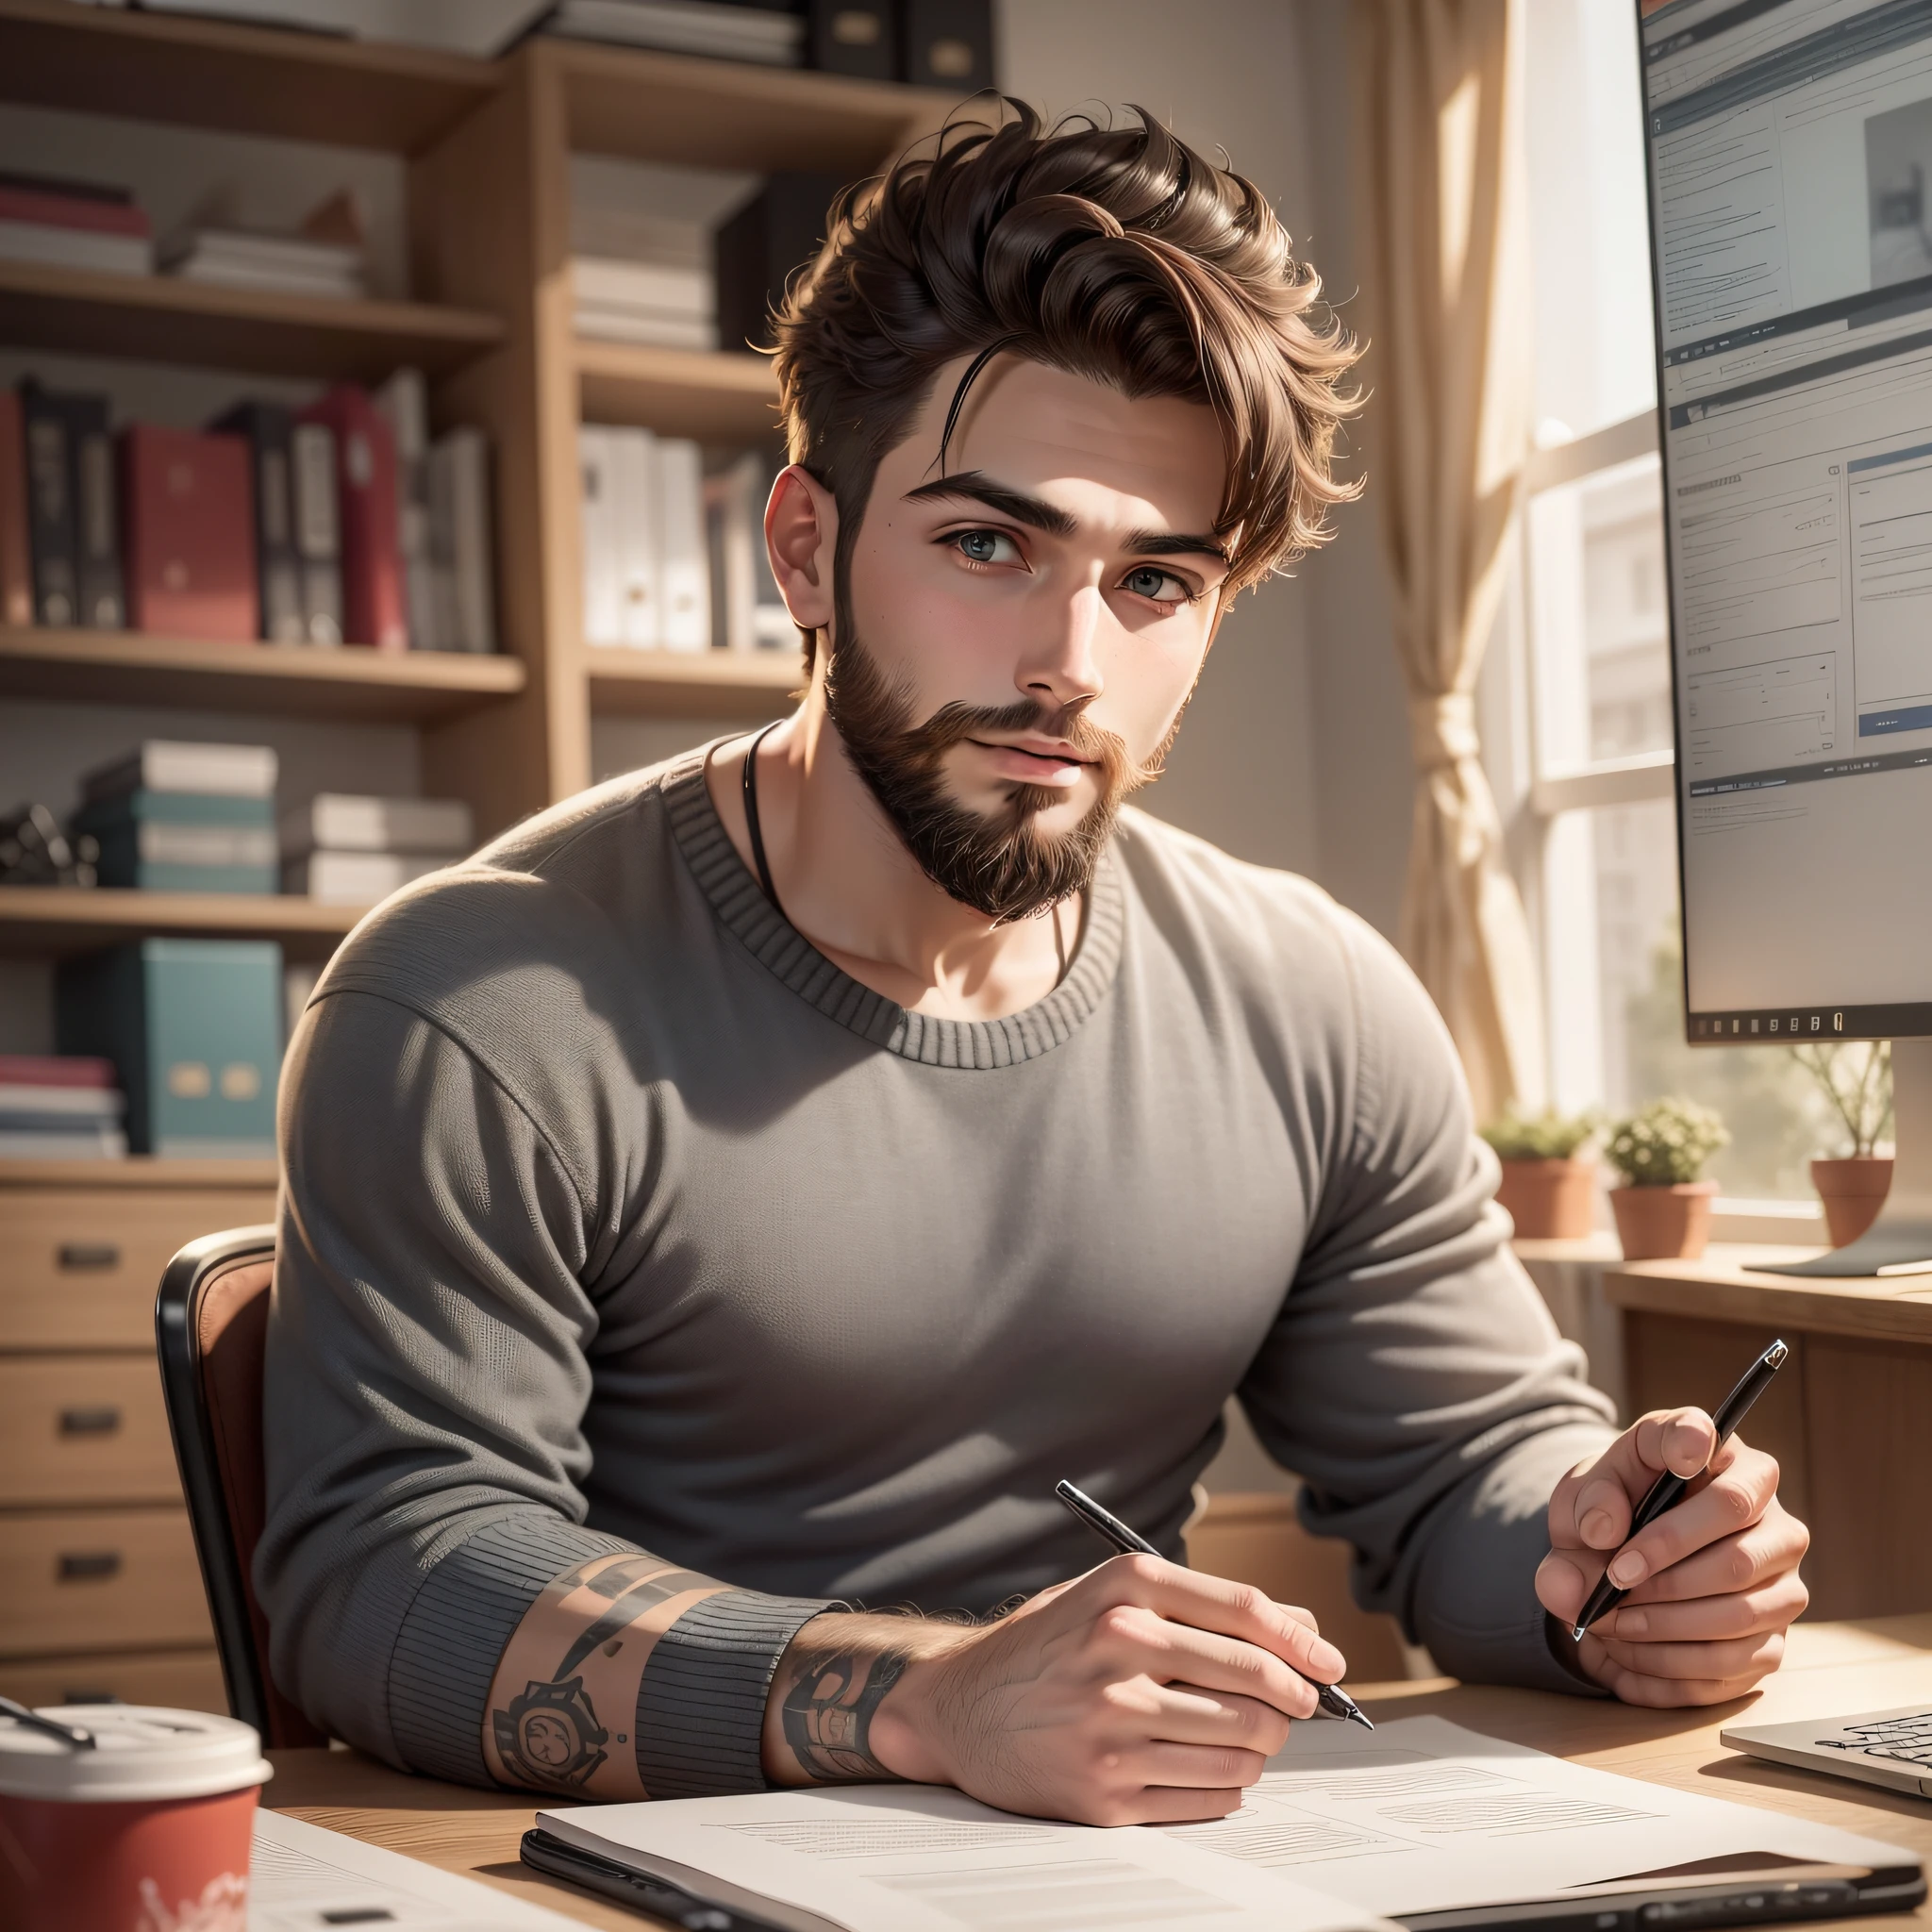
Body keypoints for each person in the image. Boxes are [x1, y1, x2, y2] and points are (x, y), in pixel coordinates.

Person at [259, 104, 1808, 1827]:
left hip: (1129, 1873)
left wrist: (1618, 1572)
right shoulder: (480, 1004)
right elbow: (391, 1578)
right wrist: (923, 1699)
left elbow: (1463, 1477)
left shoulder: (1315, 1002)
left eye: (1154, 579)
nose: (1070, 664)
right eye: (989, 546)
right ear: (804, 550)